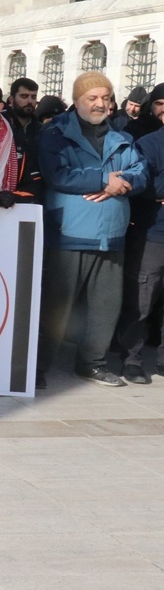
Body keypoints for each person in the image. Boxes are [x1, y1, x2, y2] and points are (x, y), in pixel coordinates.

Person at [37, 71, 147, 389]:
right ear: (77, 100)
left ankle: (92, 363)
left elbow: (139, 173)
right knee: (58, 305)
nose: (100, 104)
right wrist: (104, 180)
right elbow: (59, 174)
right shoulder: (55, 133)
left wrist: (117, 186)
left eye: (106, 97)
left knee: (106, 305)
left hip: (111, 233)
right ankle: (39, 364)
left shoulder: (121, 137)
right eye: (92, 98)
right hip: (69, 232)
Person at [118, 97, 164, 384]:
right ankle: (131, 360)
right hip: (153, 233)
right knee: (141, 300)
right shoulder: (148, 143)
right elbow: (143, 183)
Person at [5, 77, 41, 149]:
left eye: (33, 97)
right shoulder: (1, 125)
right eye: (24, 96)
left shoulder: (41, 130)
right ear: (11, 99)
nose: (30, 101)